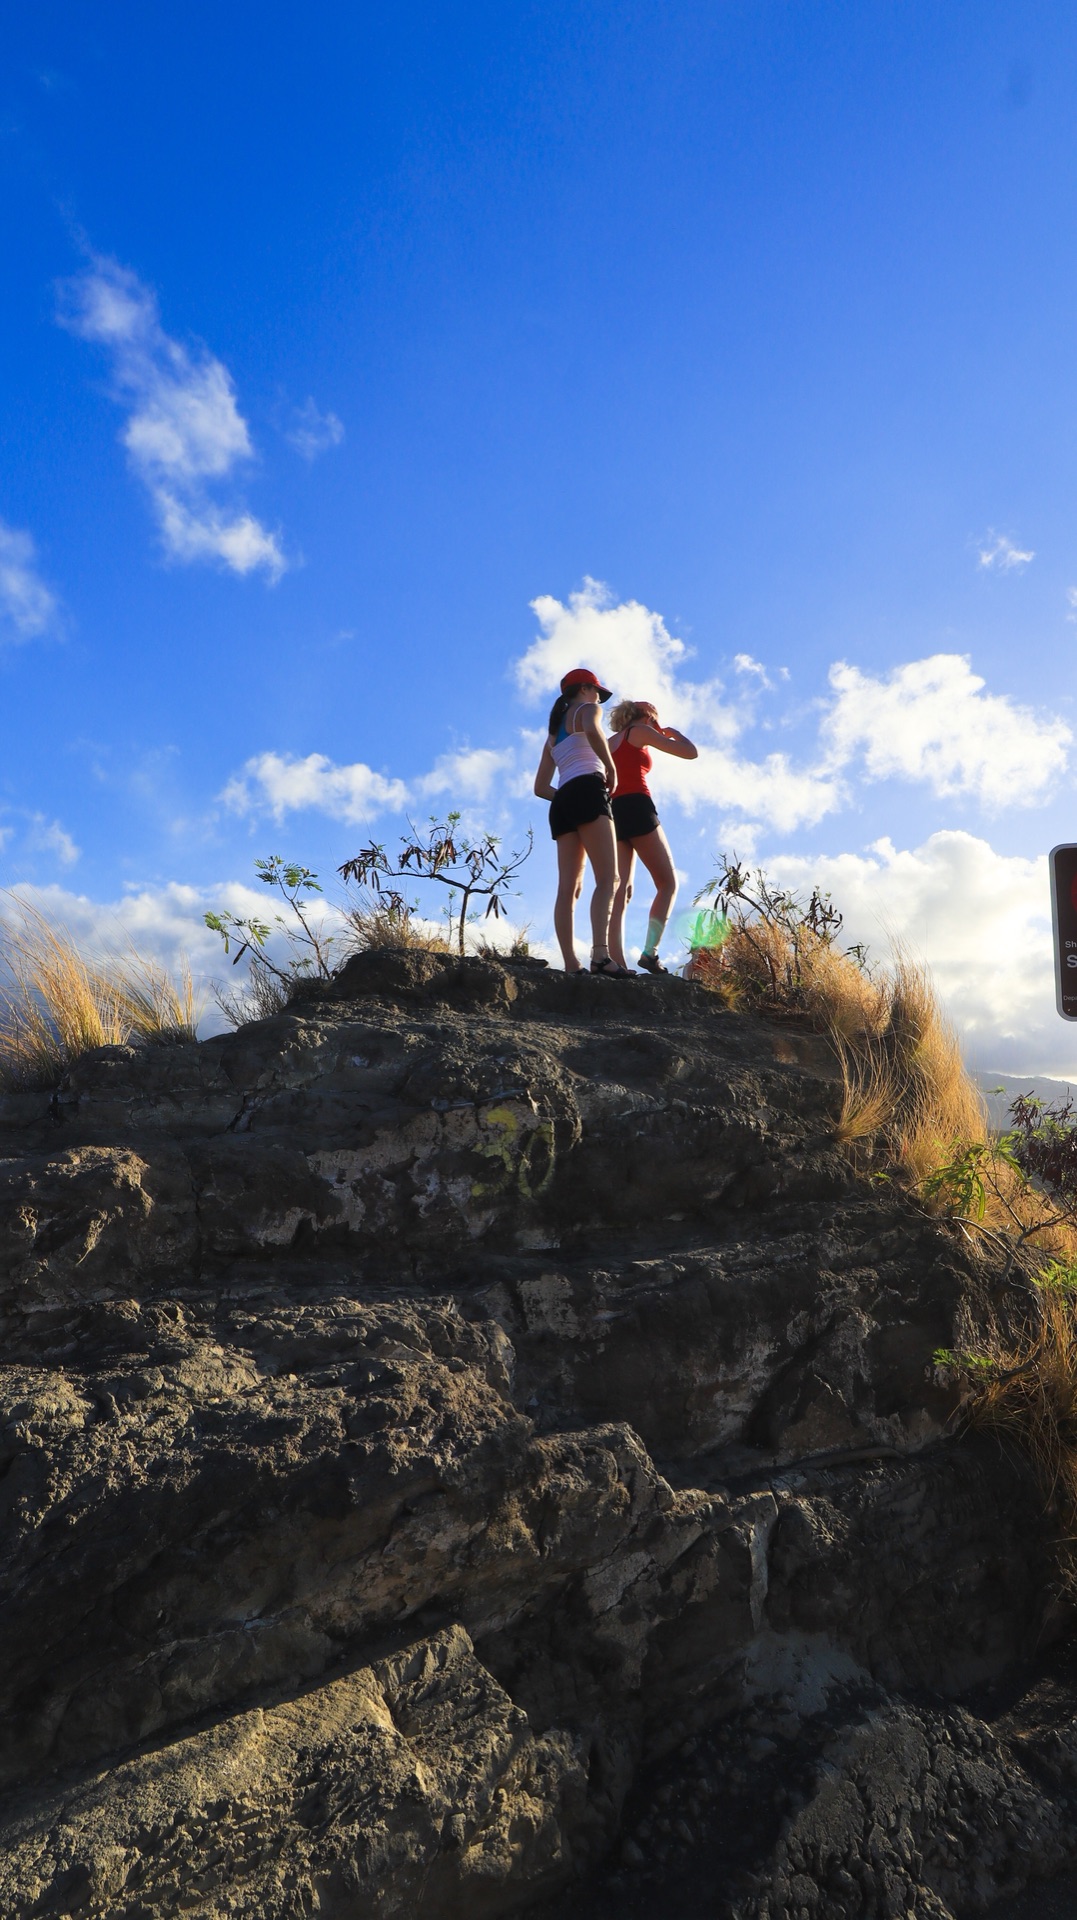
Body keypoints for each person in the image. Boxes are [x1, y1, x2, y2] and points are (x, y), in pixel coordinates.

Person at [533, 668, 629, 975]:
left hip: (562, 802)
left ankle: (571, 964)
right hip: (589, 788)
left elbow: (540, 787)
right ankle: (600, 956)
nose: (600, 697)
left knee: (568, 888)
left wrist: (565, 798)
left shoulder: (552, 734)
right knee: (609, 879)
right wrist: (611, 769)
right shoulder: (589, 709)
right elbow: (593, 729)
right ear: (586, 688)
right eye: (598, 691)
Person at [606, 699, 698, 973]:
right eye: (654, 718)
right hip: (637, 805)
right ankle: (650, 953)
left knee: (620, 890)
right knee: (668, 883)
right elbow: (689, 752)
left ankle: (615, 962)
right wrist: (671, 733)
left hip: (613, 811)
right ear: (647, 717)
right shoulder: (640, 732)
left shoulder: (610, 741)